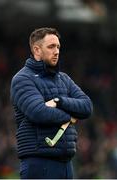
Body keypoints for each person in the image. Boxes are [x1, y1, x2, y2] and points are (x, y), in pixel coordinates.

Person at [10, 27, 93, 179]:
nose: (56, 51)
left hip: (66, 163)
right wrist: (71, 115)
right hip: (39, 163)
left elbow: (87, 107)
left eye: (58, 47)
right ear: (37, 50)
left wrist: (59, 101)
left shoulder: (64, 79)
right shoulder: (22, 79)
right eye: (51, 47)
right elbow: (39, 113)